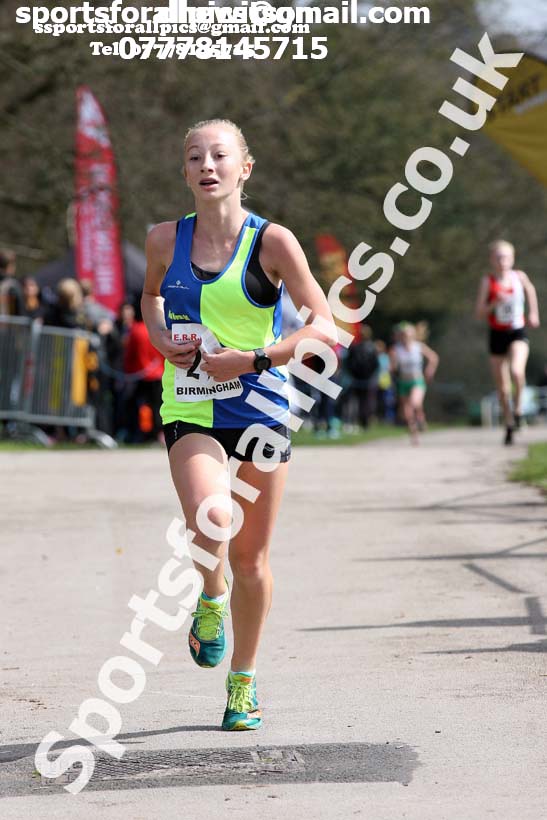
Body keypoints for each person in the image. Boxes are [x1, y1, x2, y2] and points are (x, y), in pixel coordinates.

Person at [141, 118, 333, 731]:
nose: (207, 166)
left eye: (220, 156)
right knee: (214, 517)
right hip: (193, 403)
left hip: (262, 407)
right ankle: (210, 596)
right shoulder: (162, 240)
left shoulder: (273, 242)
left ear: (244, 168)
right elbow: (148, 296)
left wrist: (255, 357)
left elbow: (324, 326)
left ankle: (243, 682)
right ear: (185, 172)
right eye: (195, 157)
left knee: (252, 559)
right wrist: (159, 334)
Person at [475, 240, 540, 445]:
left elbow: (530, 290)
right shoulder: (488, 281)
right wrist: (495, 302)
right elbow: (479, 313)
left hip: (517, 331)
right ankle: (509, 423)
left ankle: (519, 410)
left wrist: (533, 313)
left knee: (517, 371)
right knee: (502, 389)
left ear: (512, 259)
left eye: (506, 257)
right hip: (496, 334)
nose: (503, 261)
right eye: (498, 257)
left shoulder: (519, 277)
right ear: (491, 260)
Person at [390, 322, 439, 444]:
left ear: (412, 335)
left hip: (417, 381)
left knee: (414, 403)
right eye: (402, 334)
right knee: (407, 411)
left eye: (406, 334)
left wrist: (429, 370)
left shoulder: (418, 346)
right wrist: (392, 366)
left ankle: (421, 418)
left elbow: (434, 358)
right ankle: (414, 434)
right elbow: (393, 367)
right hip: (403, 382)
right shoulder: (397, 349)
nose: (404, 336)